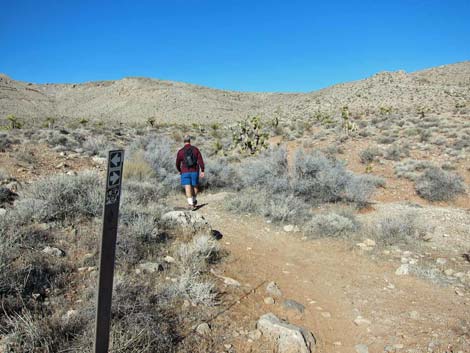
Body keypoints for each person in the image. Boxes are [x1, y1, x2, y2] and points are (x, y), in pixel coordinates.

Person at [175, 135, 205, 209]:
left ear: (184, 141)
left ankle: (190, 204)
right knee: (195, 186)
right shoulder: (195, 149)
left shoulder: (180, 151)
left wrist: (179, 170)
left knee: (187, 186)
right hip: (194, 170)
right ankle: (194, 201)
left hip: (185, 171)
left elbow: (177, 163)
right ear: (190, 140)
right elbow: (200, 160)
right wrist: (202, 170)